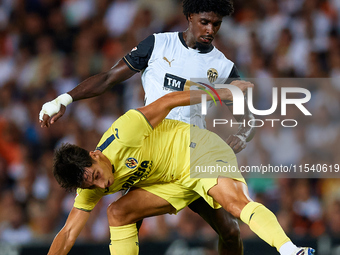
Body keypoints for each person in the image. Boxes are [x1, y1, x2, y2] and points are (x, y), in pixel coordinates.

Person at [40, 0, 254, 254]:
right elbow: (109, 77)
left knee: (230, 230)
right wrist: (65, 98)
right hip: (147, 149)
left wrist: (244, 134)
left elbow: (247, 117)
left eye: (216, 24)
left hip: (189, 154)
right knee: (125, 217)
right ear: (190, 16)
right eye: (205, 22)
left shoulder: (223, 66)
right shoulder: (157, 45)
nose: (210, 30)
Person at [47, 85, 315, 255]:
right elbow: (68, 234)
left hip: (196, 149)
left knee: (234, 207)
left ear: (95, 155)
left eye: (96, 176)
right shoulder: (88, 185)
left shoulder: (123, 132)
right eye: (92, 186)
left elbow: (170, 100)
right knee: (117, 212)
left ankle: (290, 250)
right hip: (172, 181)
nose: (102, 186)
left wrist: (220, 93)